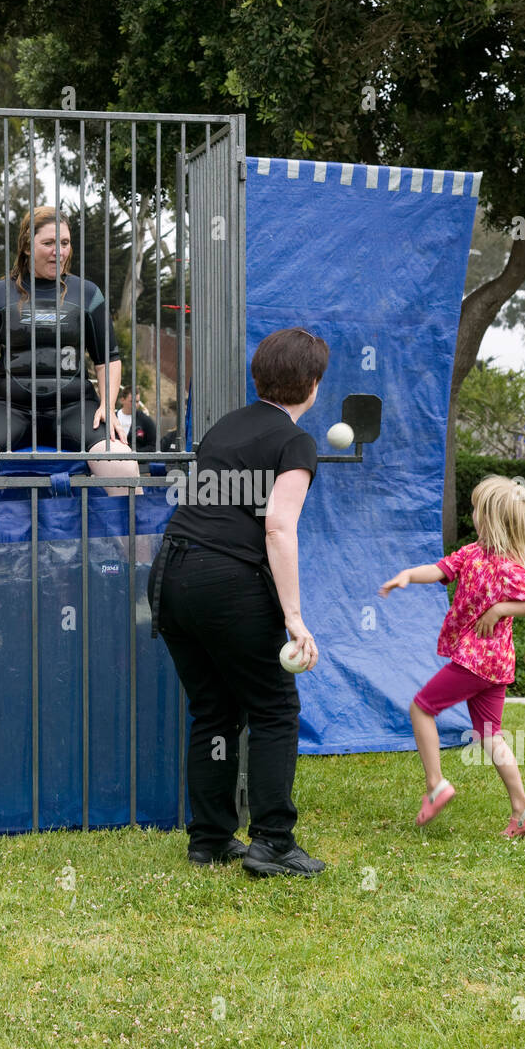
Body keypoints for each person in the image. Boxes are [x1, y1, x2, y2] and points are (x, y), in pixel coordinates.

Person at [148, 326, 330, 877]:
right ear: (313, 385)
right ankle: (271, 842)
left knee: (215, 709)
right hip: (226, 582)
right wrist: (294, 618)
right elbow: (278, 527)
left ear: (259, 376)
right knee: (275, 709)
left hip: (171, 576)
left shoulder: (224, 427)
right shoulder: (295, 441)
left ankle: (209, 840)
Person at [379, 475, 525, 837]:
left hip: (476, 661)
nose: (471, 512)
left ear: (489, 518)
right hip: (497, 666)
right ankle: (523, 809)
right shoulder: (472, 552)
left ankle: (436, 785)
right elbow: (440, 570)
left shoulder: (507, 566)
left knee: (421, 708)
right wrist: (409, 575)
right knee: (490, 734)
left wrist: (500, 608)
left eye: (476, 508)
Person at [0, 205, 141, 502]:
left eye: (64, 243)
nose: (58, 252)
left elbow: (108, 360)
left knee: (124, 469)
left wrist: (107, 405)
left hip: (75, 408)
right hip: (9, 407)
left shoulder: (88, 295)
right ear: (26, 246)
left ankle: (135, 551)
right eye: (49, 243)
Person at [116, 386, 157, 453]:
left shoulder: (145, 420)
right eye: (132, 401)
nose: (135, 404)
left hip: (138, 462)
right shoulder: (113, 418)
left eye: (137, 401)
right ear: (122, 400)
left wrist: (134, 454)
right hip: (113, 461)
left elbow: (153, 446)